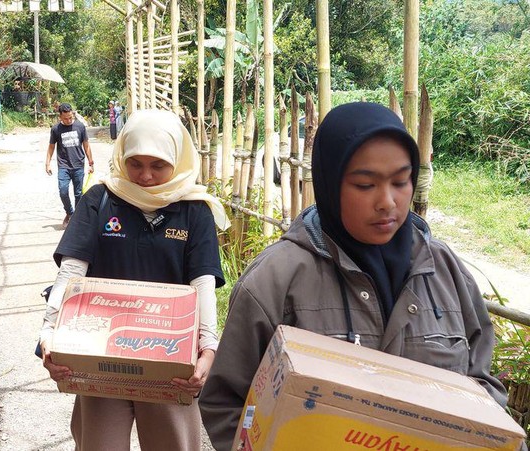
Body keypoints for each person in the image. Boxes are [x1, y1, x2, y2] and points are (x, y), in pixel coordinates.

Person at [199, 102, 509, 451]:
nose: (388, 202)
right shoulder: (275, 280)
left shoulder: (445, 270)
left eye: (401, 181)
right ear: (330, 184)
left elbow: (482, 389)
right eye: (365, 185)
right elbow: (226, 404)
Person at [40, 109, 231, 450]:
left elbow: (202, 282)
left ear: (178, 159)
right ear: (122, 156)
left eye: (158, 166)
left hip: (170, 356)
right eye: (135, 163)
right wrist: (49, 329)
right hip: (101, 353)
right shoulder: (100, 199)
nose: (144, 176)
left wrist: (208, 347)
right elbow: (71, 270)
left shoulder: (194, 210)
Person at [45, 103, 94, 228]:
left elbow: (86, 145)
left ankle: (76, 217)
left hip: (78, 165)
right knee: (63, 191)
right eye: (66, 118)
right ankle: (69, 212)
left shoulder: (80, 126)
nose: (69, 120)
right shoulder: (56, 129)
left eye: (70, 117)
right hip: (64, 166)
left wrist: (91, 163)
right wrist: (47, 163)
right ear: (60, 117)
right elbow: (51, 147)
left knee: (78, 193)